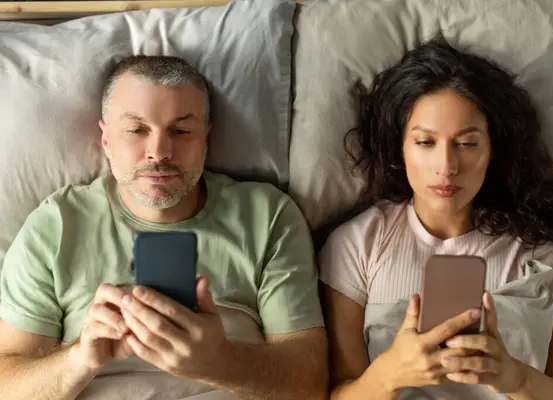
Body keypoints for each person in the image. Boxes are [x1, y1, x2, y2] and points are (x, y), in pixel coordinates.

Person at [0, 55, 327, 400]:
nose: (159, 152)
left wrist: (219, 361)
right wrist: (80, 358)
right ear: (106, 139)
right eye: (137, 130)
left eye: (181, 131)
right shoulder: (57, 226)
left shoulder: (267, 216)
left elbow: (311, 383)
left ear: (206, 139)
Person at [319, 37, 553, 400]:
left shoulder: (542, 251)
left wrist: (515, 379)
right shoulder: (356, 246)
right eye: (425, 142)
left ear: (493, 150)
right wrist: (391, 373)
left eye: (466, 143)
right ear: (399, 148)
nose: (446, 167)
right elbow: (337, 394)